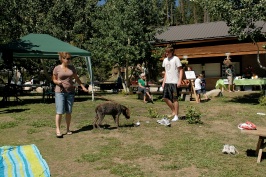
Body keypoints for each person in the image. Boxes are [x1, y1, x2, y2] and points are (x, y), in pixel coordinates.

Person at [52, 52, 88, 138]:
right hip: (60, 92)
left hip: (70, 92)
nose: (69, 60)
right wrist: (57, 82)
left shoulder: (72, 68)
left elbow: (77, 78)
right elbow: (54, 79)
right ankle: (58, 130)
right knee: (59, 111)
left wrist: (83, 87)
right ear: (62, 59)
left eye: (69, 59)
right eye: (67, 59)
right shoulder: (57, 68)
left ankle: (68, 129)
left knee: (69, 112)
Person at [162, 46, 183, 121]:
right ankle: (174, 111)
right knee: (165, 98)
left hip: (174, 82)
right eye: (166, 52)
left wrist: (179, 81)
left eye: (168, 52)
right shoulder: (164, 60)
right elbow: (166, 72)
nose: (166, 53)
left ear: (171, 52)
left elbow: (180, 70)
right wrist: (163, 82)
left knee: (175, 99)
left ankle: (176, 116)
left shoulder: (176, 59)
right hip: (167, 82)